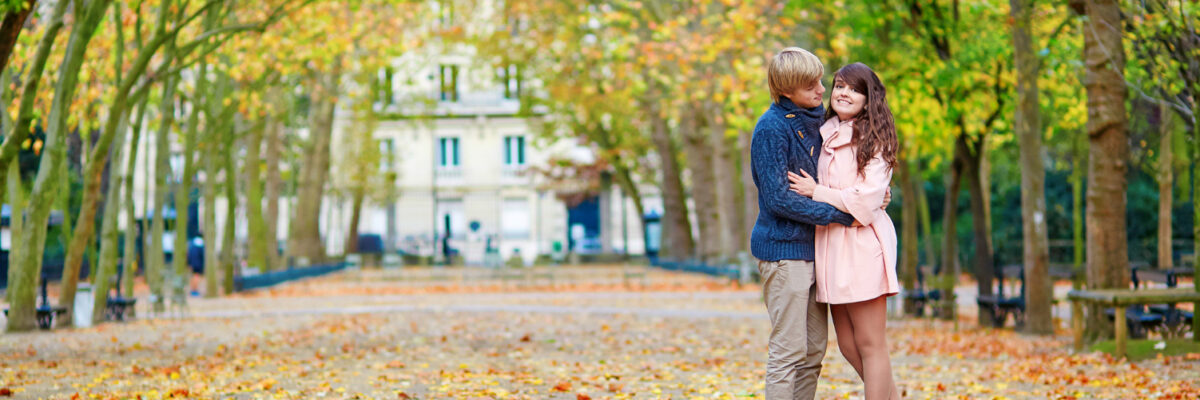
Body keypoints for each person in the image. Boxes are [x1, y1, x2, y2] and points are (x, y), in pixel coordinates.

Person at [749, 47, 858, 400]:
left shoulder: (820, 124)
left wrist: (865, 197)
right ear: (785, 91)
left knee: (812, 354)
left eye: (820, 80)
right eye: (810, 85)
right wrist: (841, 213)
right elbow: (779, 199)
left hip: (818, 251)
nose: (821, 89)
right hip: (784, 254)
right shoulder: (770, 129)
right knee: (788, 352)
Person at [787, 62, 900, 400]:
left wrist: (819, 192)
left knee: (869, 343)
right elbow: (862, 195)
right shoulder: (825, 133)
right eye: (839, 86)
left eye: (854, 88)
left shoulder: (876, 139)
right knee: (849, 345)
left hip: (863, 244)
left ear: (868, 98)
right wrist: (859, 197)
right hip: (832, 246)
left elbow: (865, 204)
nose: (843, 93)